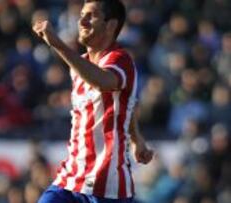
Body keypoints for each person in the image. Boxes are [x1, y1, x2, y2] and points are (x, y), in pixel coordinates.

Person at [32, 0, 154, 202]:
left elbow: (103, 82)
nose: (82, 20)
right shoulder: (79, 65)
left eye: (91, 15)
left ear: (111, 25)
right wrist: (136, 138)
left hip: (107, 185)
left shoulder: (120, 59)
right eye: (81, 15)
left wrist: (57, 44)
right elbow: (125, 105)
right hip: (71, 178)